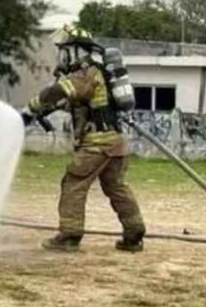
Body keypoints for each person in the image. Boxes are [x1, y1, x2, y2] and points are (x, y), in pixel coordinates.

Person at [27, 25, 146, 252]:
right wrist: (43, 112)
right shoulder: (99, 72)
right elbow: (74, 103)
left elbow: (60, 91)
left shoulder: (85, 73)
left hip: (97, 145)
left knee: (73, 184)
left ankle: (69, 236)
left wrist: (32, 106)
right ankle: (134, 233)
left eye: (64, 50)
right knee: (116, 187)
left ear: (76, 50)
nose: (61, 56)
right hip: (116, 143)